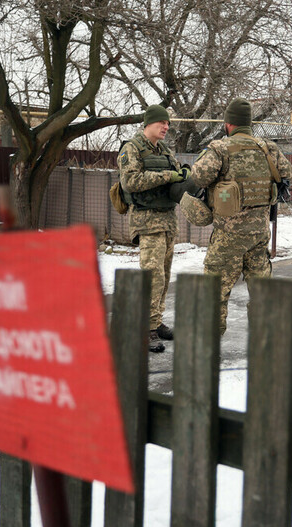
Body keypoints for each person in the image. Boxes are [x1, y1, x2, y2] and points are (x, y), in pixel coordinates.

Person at [188, 97, 292, 334]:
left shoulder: (220, 148)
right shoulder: (269, 148)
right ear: (249, 123)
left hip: (228, 236)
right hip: (258, 234)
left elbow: (198, 177)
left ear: (229, 123)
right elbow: (289, 175)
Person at [118, 104, 188, 353]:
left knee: (165, 276)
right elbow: (131, 181)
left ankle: (155, 323)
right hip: (147, 222)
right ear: (148, 123)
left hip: (167, 221)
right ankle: (144, 328)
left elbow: (176, 173)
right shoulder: (132, 148)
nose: (166, 127)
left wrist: (183, 174)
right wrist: (169, 177)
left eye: (168, 123)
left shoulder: (164, 150)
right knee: (152, 277)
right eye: (162, 123)